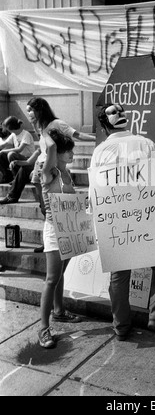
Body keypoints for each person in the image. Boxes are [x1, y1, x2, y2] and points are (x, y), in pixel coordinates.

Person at [88, 103, 155, 341]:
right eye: (115, 112)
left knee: (120, 275)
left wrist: (99, 225)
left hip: (117, 222)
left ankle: (122, 326)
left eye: (120, 111)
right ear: (107, 122)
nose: (120, 114)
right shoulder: (146, 144)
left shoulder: (100, 151)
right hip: (143, 217)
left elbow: (95, 193)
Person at [26, 97, 96, 252]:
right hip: (41, 168)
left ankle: (60, 238)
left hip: (54, 169)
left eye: (30, 110)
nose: (29, 114)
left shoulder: (56, 124)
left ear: (40, 110)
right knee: (45, 207)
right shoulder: (41, 127)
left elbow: (77, 134)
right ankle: (49, 241)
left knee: (58, 206)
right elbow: (43, 149)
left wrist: (98, 138)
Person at [38, 129, 81, 349]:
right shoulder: (49, 172)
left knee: (61, 274)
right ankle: (43, 328)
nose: (72, 154)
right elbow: (52, 147)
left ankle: (59, 311)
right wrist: (46, 130)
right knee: (52, 278)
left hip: (69, 229)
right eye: (68, 150)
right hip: (54, 230)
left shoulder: (67, 173)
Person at [0, 116, 36, 185]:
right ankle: (7, 176)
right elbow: (3, 145)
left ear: (10, 128)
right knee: (1, 155)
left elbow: (19, 149)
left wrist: (3, 151)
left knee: (11, 154)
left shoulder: (26, 134)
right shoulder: (13, 134)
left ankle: (17, 178)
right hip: (18, 159)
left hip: (28, 161)